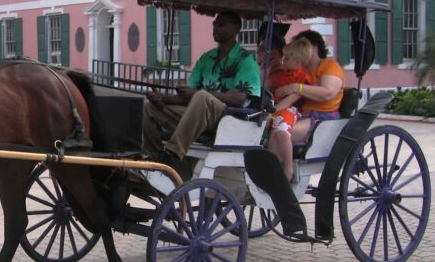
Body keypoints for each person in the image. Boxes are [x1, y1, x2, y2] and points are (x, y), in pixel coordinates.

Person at [143, 10, 262, 179]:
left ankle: (174, 153)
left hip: (229, 118)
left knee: (201, 96)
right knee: (149, 107)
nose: (215, 28)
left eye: (221, 24)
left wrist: (199, 93)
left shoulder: (245, 61)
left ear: (236, 28)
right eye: (214, 24)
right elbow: (188, 97)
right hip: (199, 117)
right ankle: (156, 156)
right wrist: (162, 98)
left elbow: (240, 98)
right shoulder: (206, 59)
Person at [267, 30, 344, 184]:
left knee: (280, 133)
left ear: (313, 47)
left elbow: (328, 93)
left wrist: (298, 87)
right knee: (271, 132)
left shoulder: (329, 66)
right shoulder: (301, 71)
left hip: (322, 116)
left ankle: (283, 175)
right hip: (303, 114)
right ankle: (272, 175)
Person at [260, 37, 314, 181]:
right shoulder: (280, 74)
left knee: (282, 132)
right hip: (275, 109)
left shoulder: (301, 78)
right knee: (270, 138)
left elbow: (290, 100)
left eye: (287, 58)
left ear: (298, 61)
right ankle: (273, 171)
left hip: (289, 110)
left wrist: (270, 111)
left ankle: (288, 168)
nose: (283, 60)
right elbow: (269, 89)